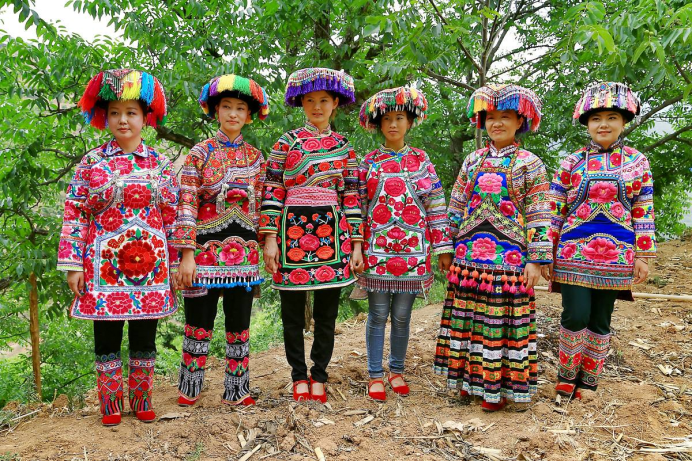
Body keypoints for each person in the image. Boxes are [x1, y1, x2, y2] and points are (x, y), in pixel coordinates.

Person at [57, 69, 179, 425]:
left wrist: (174, 263)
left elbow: (172, 217)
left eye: (131, 113)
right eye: (114, 113)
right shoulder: (91, 163)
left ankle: (142, 399)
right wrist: (73, 265)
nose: (122, 120)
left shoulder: (160, 164)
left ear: (145, 118)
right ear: (104, 117)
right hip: (102, 269)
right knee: (107, 335)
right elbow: (75, 213)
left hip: (152, 269)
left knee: (145, 335)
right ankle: (110, 404)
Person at [434, 84, 553, 411]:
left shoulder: (531, 163)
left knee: (499, 324)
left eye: (505, 117)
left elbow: (540, 211)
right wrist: (446, 246)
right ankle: (465, 382)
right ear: (482, 123)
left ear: (520, 122)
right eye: (491, 118)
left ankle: (497, 390)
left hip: (511, 260)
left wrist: (537, 260)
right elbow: (456, 205)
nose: (497, 123)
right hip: (468, 258)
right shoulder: (473, 160)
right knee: (468, 321)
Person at [260, 68, 364, 403]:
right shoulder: (285, 143)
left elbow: (351, 195)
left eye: (323, 100)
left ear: (335, 103)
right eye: (310, 101)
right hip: (290, 233)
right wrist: (271, 238)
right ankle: (297, 375)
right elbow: (273, 190)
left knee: (326, 314)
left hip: (333, 234)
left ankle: (319, 373)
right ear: (301, 103)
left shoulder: (344, 147)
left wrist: (356, 243)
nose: (316, 106)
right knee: (290, 312)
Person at [546, 82, 656, 400]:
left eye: (611, 117)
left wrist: (643, 256)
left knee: (600, 318)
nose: (603, 124)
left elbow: (643, 209)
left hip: (617, 256)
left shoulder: (637, 163)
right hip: (571, 253)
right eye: (596, 119)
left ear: (623, 122)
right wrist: (542, 253)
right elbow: (553, 211)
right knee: (575, 314)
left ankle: (589, 382)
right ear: (587, 124)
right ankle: (566, 377)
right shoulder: (570, 163)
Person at [171, 74, 269, 407]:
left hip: (244, 259)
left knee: (239, 324)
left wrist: (266, 245)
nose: (232, 114)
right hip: (202, 255)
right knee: (198, 321)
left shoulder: (258, 159)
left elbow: (265, 209)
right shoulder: (198, 154)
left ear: (249, 115)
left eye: (240, 108)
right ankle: (190, 386)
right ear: (216, 111)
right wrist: (186, 255)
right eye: (226, 106)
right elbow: (185, 204)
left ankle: (237, 389)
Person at [357, 86, 453, 401]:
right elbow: (356, 208)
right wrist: (355, 247)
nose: (393, 124)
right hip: (377, 252)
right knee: (378, 313)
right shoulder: (368, 162)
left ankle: (396, 370)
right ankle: (374, 374)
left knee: (401, 316)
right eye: (387, 119)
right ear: (378, 125)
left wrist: (442, 249)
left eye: (400, 118)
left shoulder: (421, 161)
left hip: (414, 253)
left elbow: (436, 204)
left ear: (409, 122)